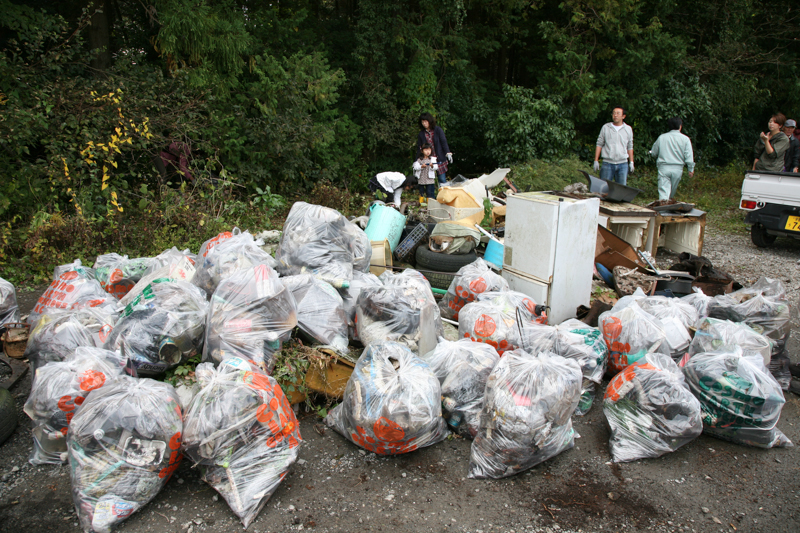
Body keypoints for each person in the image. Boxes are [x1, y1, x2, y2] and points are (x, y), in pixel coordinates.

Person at [649, 117, 695, 200]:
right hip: (678, 168)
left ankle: (664, 205)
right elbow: (689, 155)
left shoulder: (662, 137)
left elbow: (654, 152)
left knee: (664, 191)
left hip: (664, 167)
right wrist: (690, 169)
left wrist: (652, 153)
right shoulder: (685, 139)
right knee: (672, 191)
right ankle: (669, 203)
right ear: (680, 126)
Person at [594, 107, 634, 185]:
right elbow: (599, 144)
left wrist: (631, 162)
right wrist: (596, 160)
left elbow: (630, 146)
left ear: (623, 116)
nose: (615, 115)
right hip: (607, 163)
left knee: (621, 188)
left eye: (618, 113)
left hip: (623, 163)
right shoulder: (606, 127)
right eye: (614, 113)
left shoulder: (628, 129)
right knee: (604, 187)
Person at [416, 113, 452, 185]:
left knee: (442, 179)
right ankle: (432, 192)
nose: (424, 124)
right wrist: (417, 160)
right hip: (428, 159)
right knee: (429, 180)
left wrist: (448, 153)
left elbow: (443, 142)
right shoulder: (421, 134)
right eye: (422, 122)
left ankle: (444, 191)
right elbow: (419, 147)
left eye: (425, 121)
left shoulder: (438, 130)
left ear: (429, 121)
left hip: (439, 157)